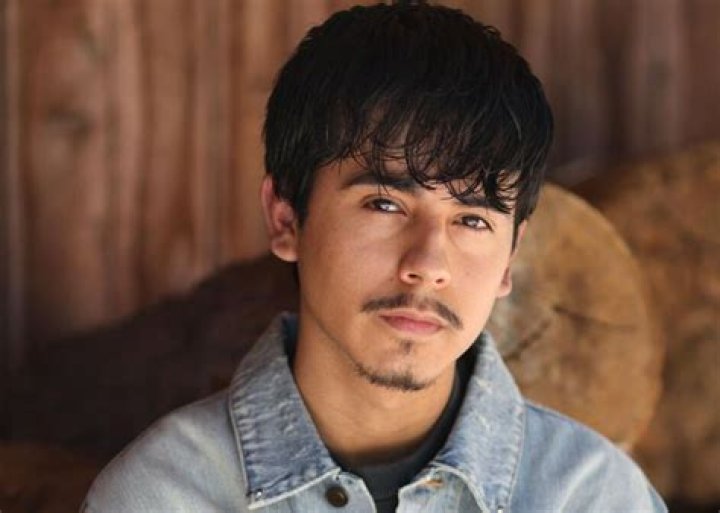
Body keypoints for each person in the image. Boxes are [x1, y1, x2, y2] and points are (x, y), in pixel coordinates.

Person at [82, 1, 667, 512]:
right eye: (385, 204)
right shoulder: (163, 496)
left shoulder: (593, 497)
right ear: (286, 218)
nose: (428, 263)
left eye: (471, 220)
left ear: (510, 258)